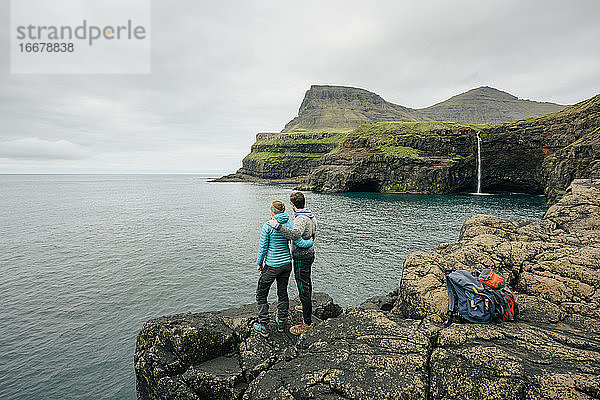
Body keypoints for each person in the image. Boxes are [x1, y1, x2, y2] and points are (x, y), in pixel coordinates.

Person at [254, 200, 313, 337]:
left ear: (272, 211)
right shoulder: (289, 225)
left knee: (261, 294)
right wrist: (310, 241)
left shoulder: (268, 226)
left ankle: (263, 325)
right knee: (282, 292)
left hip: (272, 265)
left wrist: (259, 263)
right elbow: (300, 242)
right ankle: (281, 322)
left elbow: (263, 247)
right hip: (286, 265)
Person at [267, 191, 317, 335]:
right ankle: (304, 304)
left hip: (302, 257)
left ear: (293, 205)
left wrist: (277, 226)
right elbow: (313, 233)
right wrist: (310, 242)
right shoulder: (310, 215)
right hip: (310, 254)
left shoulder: (301, 218)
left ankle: (307, 323)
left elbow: (295, 235)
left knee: (302, 286)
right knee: (307, 282)